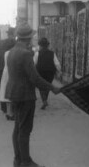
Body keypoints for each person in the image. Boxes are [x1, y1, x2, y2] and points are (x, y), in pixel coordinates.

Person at [5, 24, 61, 167]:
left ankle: (17, 160)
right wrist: (52, 87)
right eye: (32, 37)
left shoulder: (12, 51)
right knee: (24, 130)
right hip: (25, 95)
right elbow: (34, 78)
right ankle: (26, 161)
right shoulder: (25, 53)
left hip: (13, 93)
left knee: (17, 128)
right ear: (29, 38)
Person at [34, 37, 62, 110]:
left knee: (41, 86)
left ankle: (44, 100)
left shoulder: (37, 53)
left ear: (40, 45)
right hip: (50, 72)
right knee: (47, 85)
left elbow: (34, 63)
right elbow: (57, 64)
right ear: (47, 45)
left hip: (40, 72)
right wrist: (59, 71)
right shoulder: (52, 53)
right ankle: (45, 99)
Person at [0, 27, 16, 114]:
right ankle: (11, 109)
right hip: (10, 67)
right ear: (13, 34)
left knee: (3, 87)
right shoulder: (14, 42)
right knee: (10, 87)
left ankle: (3, 108)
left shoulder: (2, 42)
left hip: (1, 67)